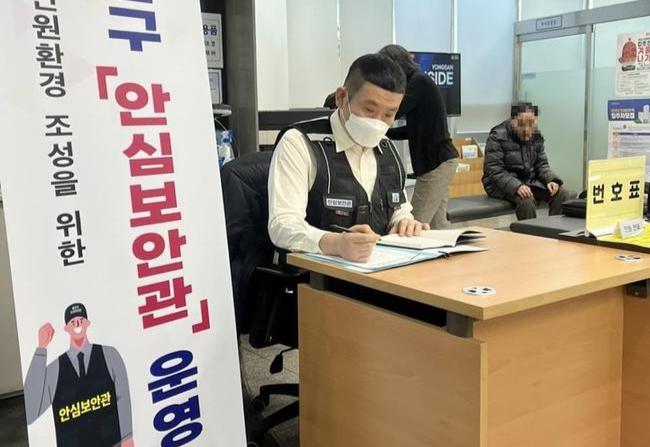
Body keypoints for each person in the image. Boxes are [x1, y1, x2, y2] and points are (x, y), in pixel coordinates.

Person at [268, 53, 428, 263]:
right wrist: (335, 244)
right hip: (315, 276)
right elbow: (282, 224)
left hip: (378, 272)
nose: (378, 122)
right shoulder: (300, 143)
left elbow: (399, 208)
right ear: (342, 98)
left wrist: (404, 222)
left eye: (389, 114)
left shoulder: (387, 149)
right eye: (369, 110)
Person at [24, 303, 134, 447]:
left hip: (112, 442)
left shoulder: (109, 355)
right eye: (73, 322)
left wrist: (127, 436)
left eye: (81, 320)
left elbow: (123, 396)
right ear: (66, 328)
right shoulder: (55, 369)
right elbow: (30, 412)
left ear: (87, 323)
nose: (77, 324)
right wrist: (41, 348)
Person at [379, 44, 459, 229]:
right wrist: (386, 132)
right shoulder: (419, 81)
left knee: (413, 224)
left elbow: (393, 111)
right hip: (441, 161)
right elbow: (414, 129)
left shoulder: (418, 82)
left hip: (436, 163)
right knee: (438, 226)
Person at [482, 102, 573, 220]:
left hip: (527, 181)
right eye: (521, 124)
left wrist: (551, 180)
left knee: (561, 194)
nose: (526, 130)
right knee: (526, 200)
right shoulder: (497, 136)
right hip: (499, 185)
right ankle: (529, 231)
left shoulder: (535, 135)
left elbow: (542, 165)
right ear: (512, 121)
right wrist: (517, 186)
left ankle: (554, 229)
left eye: (531, 124)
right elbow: (495, 170)